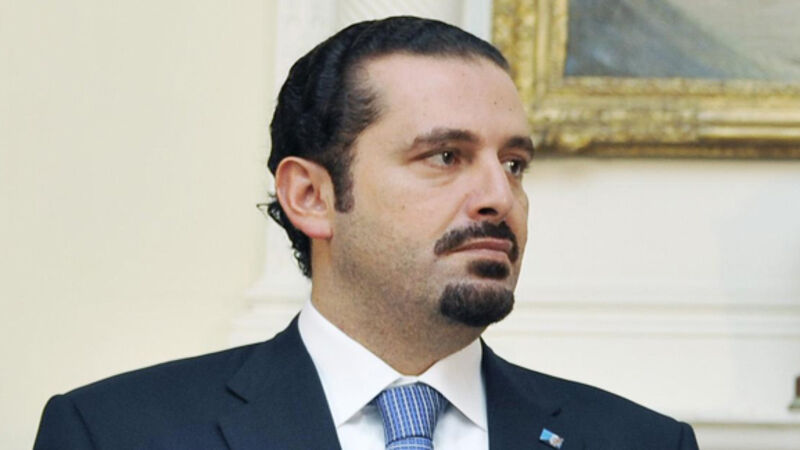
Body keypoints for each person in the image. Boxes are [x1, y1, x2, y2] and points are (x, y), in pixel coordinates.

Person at [34, 16, 699, 450]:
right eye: (446, 156)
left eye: (514, 164)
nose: (500, 197)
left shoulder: (637, 442)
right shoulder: (115, 432)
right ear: (311, 197)